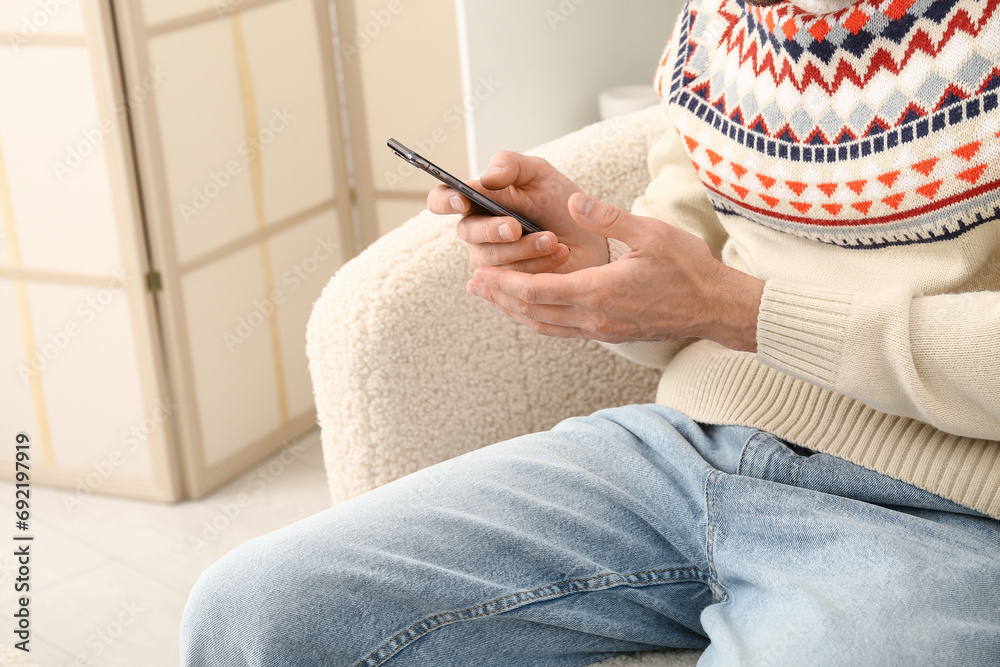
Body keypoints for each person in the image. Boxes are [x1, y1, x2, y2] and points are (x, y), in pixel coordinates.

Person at [181, 0, 1000, 664]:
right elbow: (686, 282)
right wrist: (594, 264)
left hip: (948, 507)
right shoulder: (721, 23)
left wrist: (736, 309)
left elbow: (722, 301)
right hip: (689, 450)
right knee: (254, 610)